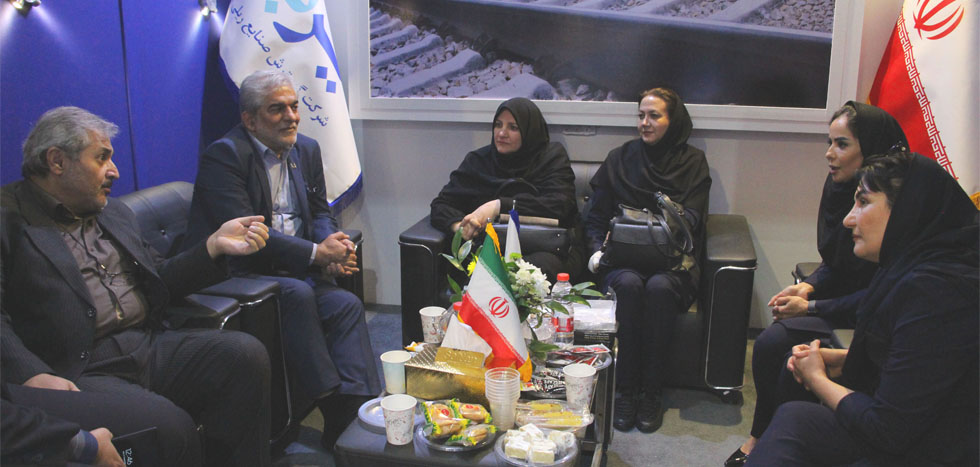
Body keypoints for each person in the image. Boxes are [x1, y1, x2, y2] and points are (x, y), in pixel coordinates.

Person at [1, 106, 273, 466]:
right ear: (57, 161)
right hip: (81, 366)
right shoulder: (8, 219)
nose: (114, 171)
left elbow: (159, 278)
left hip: (147, 343)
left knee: (245, 355)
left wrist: (213, 247)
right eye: (102, 158)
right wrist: (31, 373)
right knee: (168, 427)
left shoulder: (113, 212)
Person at [184, 70, 381, 450]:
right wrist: (316, 255)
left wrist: (331, 244)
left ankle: (358, 407)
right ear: (250, 119)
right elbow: (248, 234)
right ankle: (332, 405)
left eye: (294, 106)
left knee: (346, 304)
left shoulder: (306, 149)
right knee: (298, 294)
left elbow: (321, 211)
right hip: (239, 271)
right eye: (277, 109)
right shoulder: (225, 156)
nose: (291, 117)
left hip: (292, 266)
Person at [744, 150, 978, 466]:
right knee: (793, 403)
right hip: (910, 433)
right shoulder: (907, 265)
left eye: (863, 202)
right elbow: (916, 364)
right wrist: (845, 359)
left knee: (796, 416)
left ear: (907, 210)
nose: (848, 219)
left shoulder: (939, 292)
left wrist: (818, 378)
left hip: (930, 450)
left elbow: (888, 429)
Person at [725, 102, 908, 466]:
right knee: (773, 344)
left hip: (862, 312)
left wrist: (809, 306)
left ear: (871, 149)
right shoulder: (840, 188)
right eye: (829, 142)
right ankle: (761, 437)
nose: (829, 153)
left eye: (842, 144)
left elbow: (878, 293)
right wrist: (807, 287)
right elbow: (836, 263)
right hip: (842, 303)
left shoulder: (898, 206)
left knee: (786, 354)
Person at [584, 87, 711, 433]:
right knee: (627, 284)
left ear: (674, 121)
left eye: (654, 116)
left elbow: (693, 221)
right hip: (622, 261)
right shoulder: (619, 159)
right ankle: (626, 391)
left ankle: (651, 392)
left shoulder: (693, 163)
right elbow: (596, 218)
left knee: (658, 289)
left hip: (673, 264)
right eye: (641, 115)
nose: (645, 123)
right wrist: (596, 251)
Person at [429, 97, 582, 280]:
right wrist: (461, 227)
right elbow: (441, 205)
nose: (502, 133)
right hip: (492, 248)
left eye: (513, 127)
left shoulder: (551, 158)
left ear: (529, 131)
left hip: (546, 248)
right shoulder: (478, 161)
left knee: (531, 271)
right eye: (498, 125)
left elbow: (559, 205)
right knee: (481, 265)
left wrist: (498, 206)